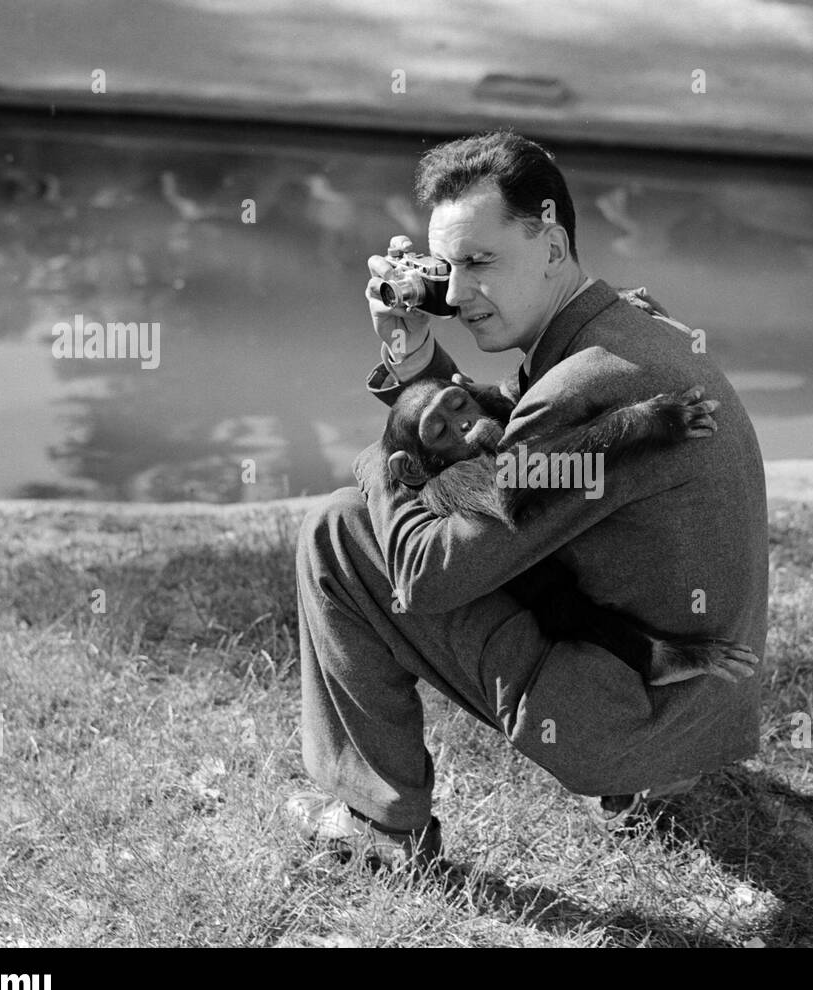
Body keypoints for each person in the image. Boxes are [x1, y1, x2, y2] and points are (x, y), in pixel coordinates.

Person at [288, 131, 768, 868]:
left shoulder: (577, 392)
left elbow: (427, 574)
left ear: (550, 240)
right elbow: (490, 451)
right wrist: (412, 360)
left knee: (338, 531)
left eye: (481, 262)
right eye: (447, 269)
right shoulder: (632, 327)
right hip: (694, 705)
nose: (457, 293)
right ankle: (660, 779)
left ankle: (383, 828)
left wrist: (382, 462)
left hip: (631, 720)